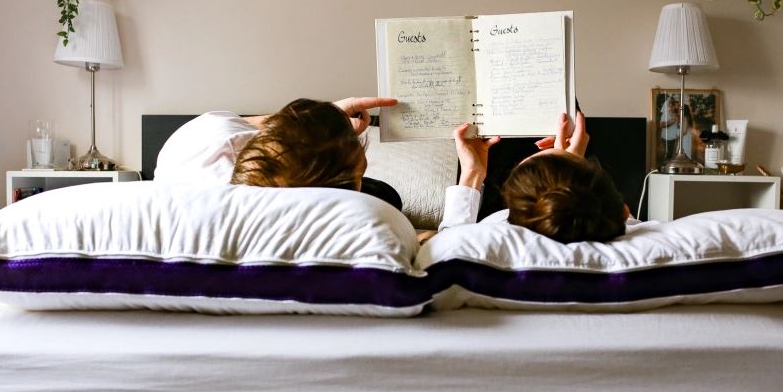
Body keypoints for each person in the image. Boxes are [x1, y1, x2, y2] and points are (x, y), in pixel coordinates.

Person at [155, 96, 402, 209]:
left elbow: (271, 124)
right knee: (387, 198)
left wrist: (332, 116)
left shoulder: (208, 134)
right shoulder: (204, 136)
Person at [438, 112, 630, 244]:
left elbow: (446, 244)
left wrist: (472, 172)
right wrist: (571, 165)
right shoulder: (635, 231)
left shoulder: (493, 227)